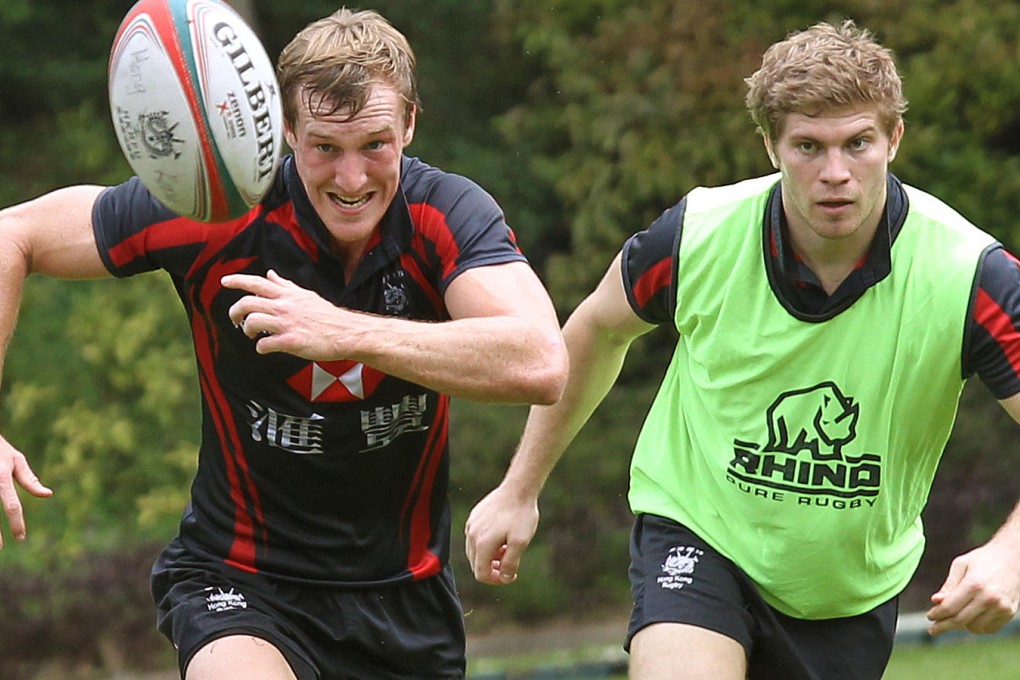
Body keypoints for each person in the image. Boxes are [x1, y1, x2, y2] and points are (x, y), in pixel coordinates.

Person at [0, 8, 567, 680]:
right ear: (287, 129)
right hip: (239, 582)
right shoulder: (217, 211)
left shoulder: (446, 215)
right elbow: (15, 235)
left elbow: (540, 359)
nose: (351, 181)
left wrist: (343, 332)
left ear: (410, 123)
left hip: (403, 599)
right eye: (325, 146)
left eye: (375, 145)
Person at [465, 19, 1020, 680]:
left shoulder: (970, 275)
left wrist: (1011, 552)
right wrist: (519, 488)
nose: (835, 173)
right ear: (770, 145)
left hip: (846, 590)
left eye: (858, 143)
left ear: (893, 138)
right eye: (809, 146)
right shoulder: (697, 235)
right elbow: (595, 330)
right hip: (698, 530)